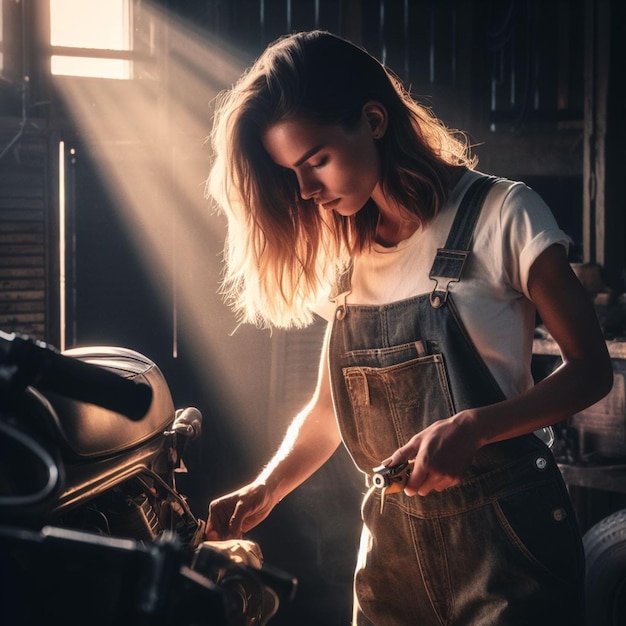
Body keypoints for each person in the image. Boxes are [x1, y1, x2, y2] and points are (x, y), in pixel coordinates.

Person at [204, 30, 613, 625]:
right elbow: (326, 412)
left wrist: (475, 427)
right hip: (390, 557)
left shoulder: (503, 214)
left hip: (510, 551)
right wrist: (266, 488)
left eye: (316, 159)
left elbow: (591, 371)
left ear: (373, 119)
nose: (308, 191)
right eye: (293, 173)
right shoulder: (346, 259)